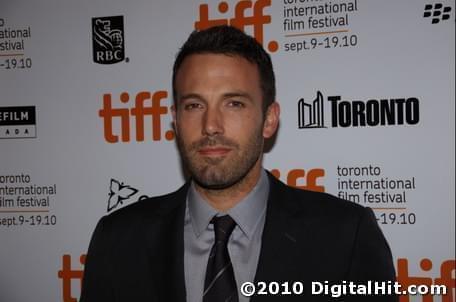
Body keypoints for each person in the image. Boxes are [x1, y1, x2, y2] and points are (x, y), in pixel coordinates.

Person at [80, 25, 397, 302]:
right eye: (194, 105)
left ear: (269, 119)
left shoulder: (345, 236)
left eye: (234, 103)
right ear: (176, 120)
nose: (211, 125)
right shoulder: (118, 239)